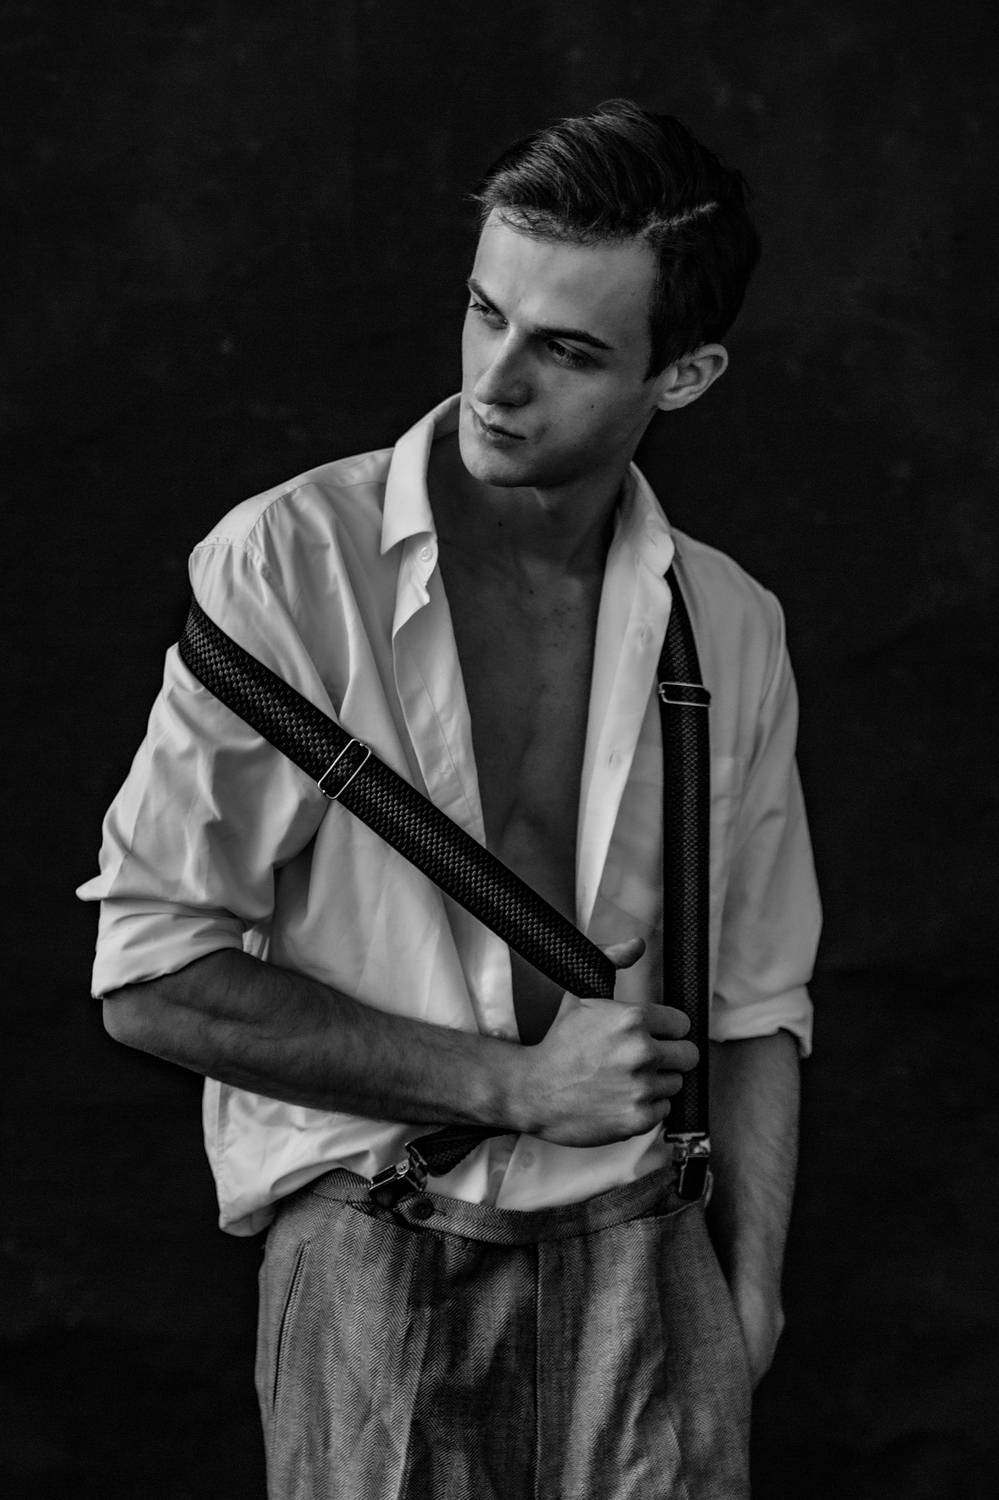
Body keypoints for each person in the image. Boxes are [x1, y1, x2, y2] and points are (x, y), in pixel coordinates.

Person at [79, 99, 821, 1498]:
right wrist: (513, 1086)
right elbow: (151, 975)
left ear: (686, 375)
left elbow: (757, 1001)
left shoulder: (730, 624)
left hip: (652, 1269)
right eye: (486, 313)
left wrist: (752, 1297)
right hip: (378, 1257)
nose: (495, 379)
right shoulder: (290, 567)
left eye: (567, 349)